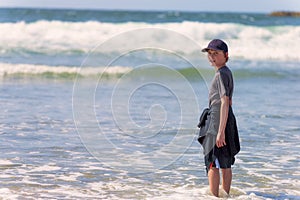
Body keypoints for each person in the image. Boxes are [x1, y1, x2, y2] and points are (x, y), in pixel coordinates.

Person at [201, 39, 240, 197]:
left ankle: (215, 196)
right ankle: (226, 195)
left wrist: (220, 131)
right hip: (226, 117)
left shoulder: (221, 74)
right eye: (210, 54)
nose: (212, 57)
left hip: (218, 119)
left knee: (212, 162)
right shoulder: (227, 72)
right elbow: (229, 102)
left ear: (226, 55)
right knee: (225, 161)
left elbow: (224, 101)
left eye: (216, 53)